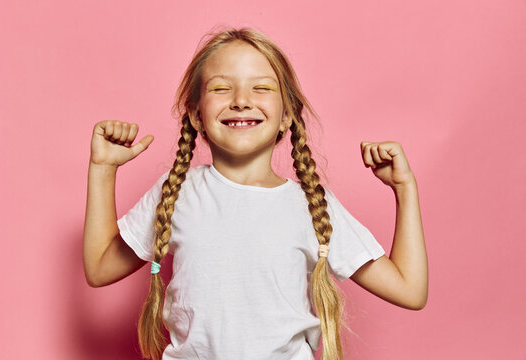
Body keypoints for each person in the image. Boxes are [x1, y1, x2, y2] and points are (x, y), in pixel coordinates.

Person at [83, 26, 428, 360]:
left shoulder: (312, 205)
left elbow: (409, 290)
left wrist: (404, 189)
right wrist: (103, 170)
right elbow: (99, 269)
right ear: (196, 115)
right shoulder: (179, 192)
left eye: (261, 87)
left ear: (286, 116)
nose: (241, 101)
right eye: (221, 88)